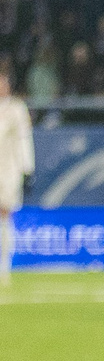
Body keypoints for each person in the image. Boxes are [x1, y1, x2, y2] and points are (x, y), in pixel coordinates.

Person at [0, 66, 30, 287]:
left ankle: (5, 267)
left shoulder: (17, 109)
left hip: (7, 170)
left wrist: (27, 169)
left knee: (5, 215)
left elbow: (23, 139)